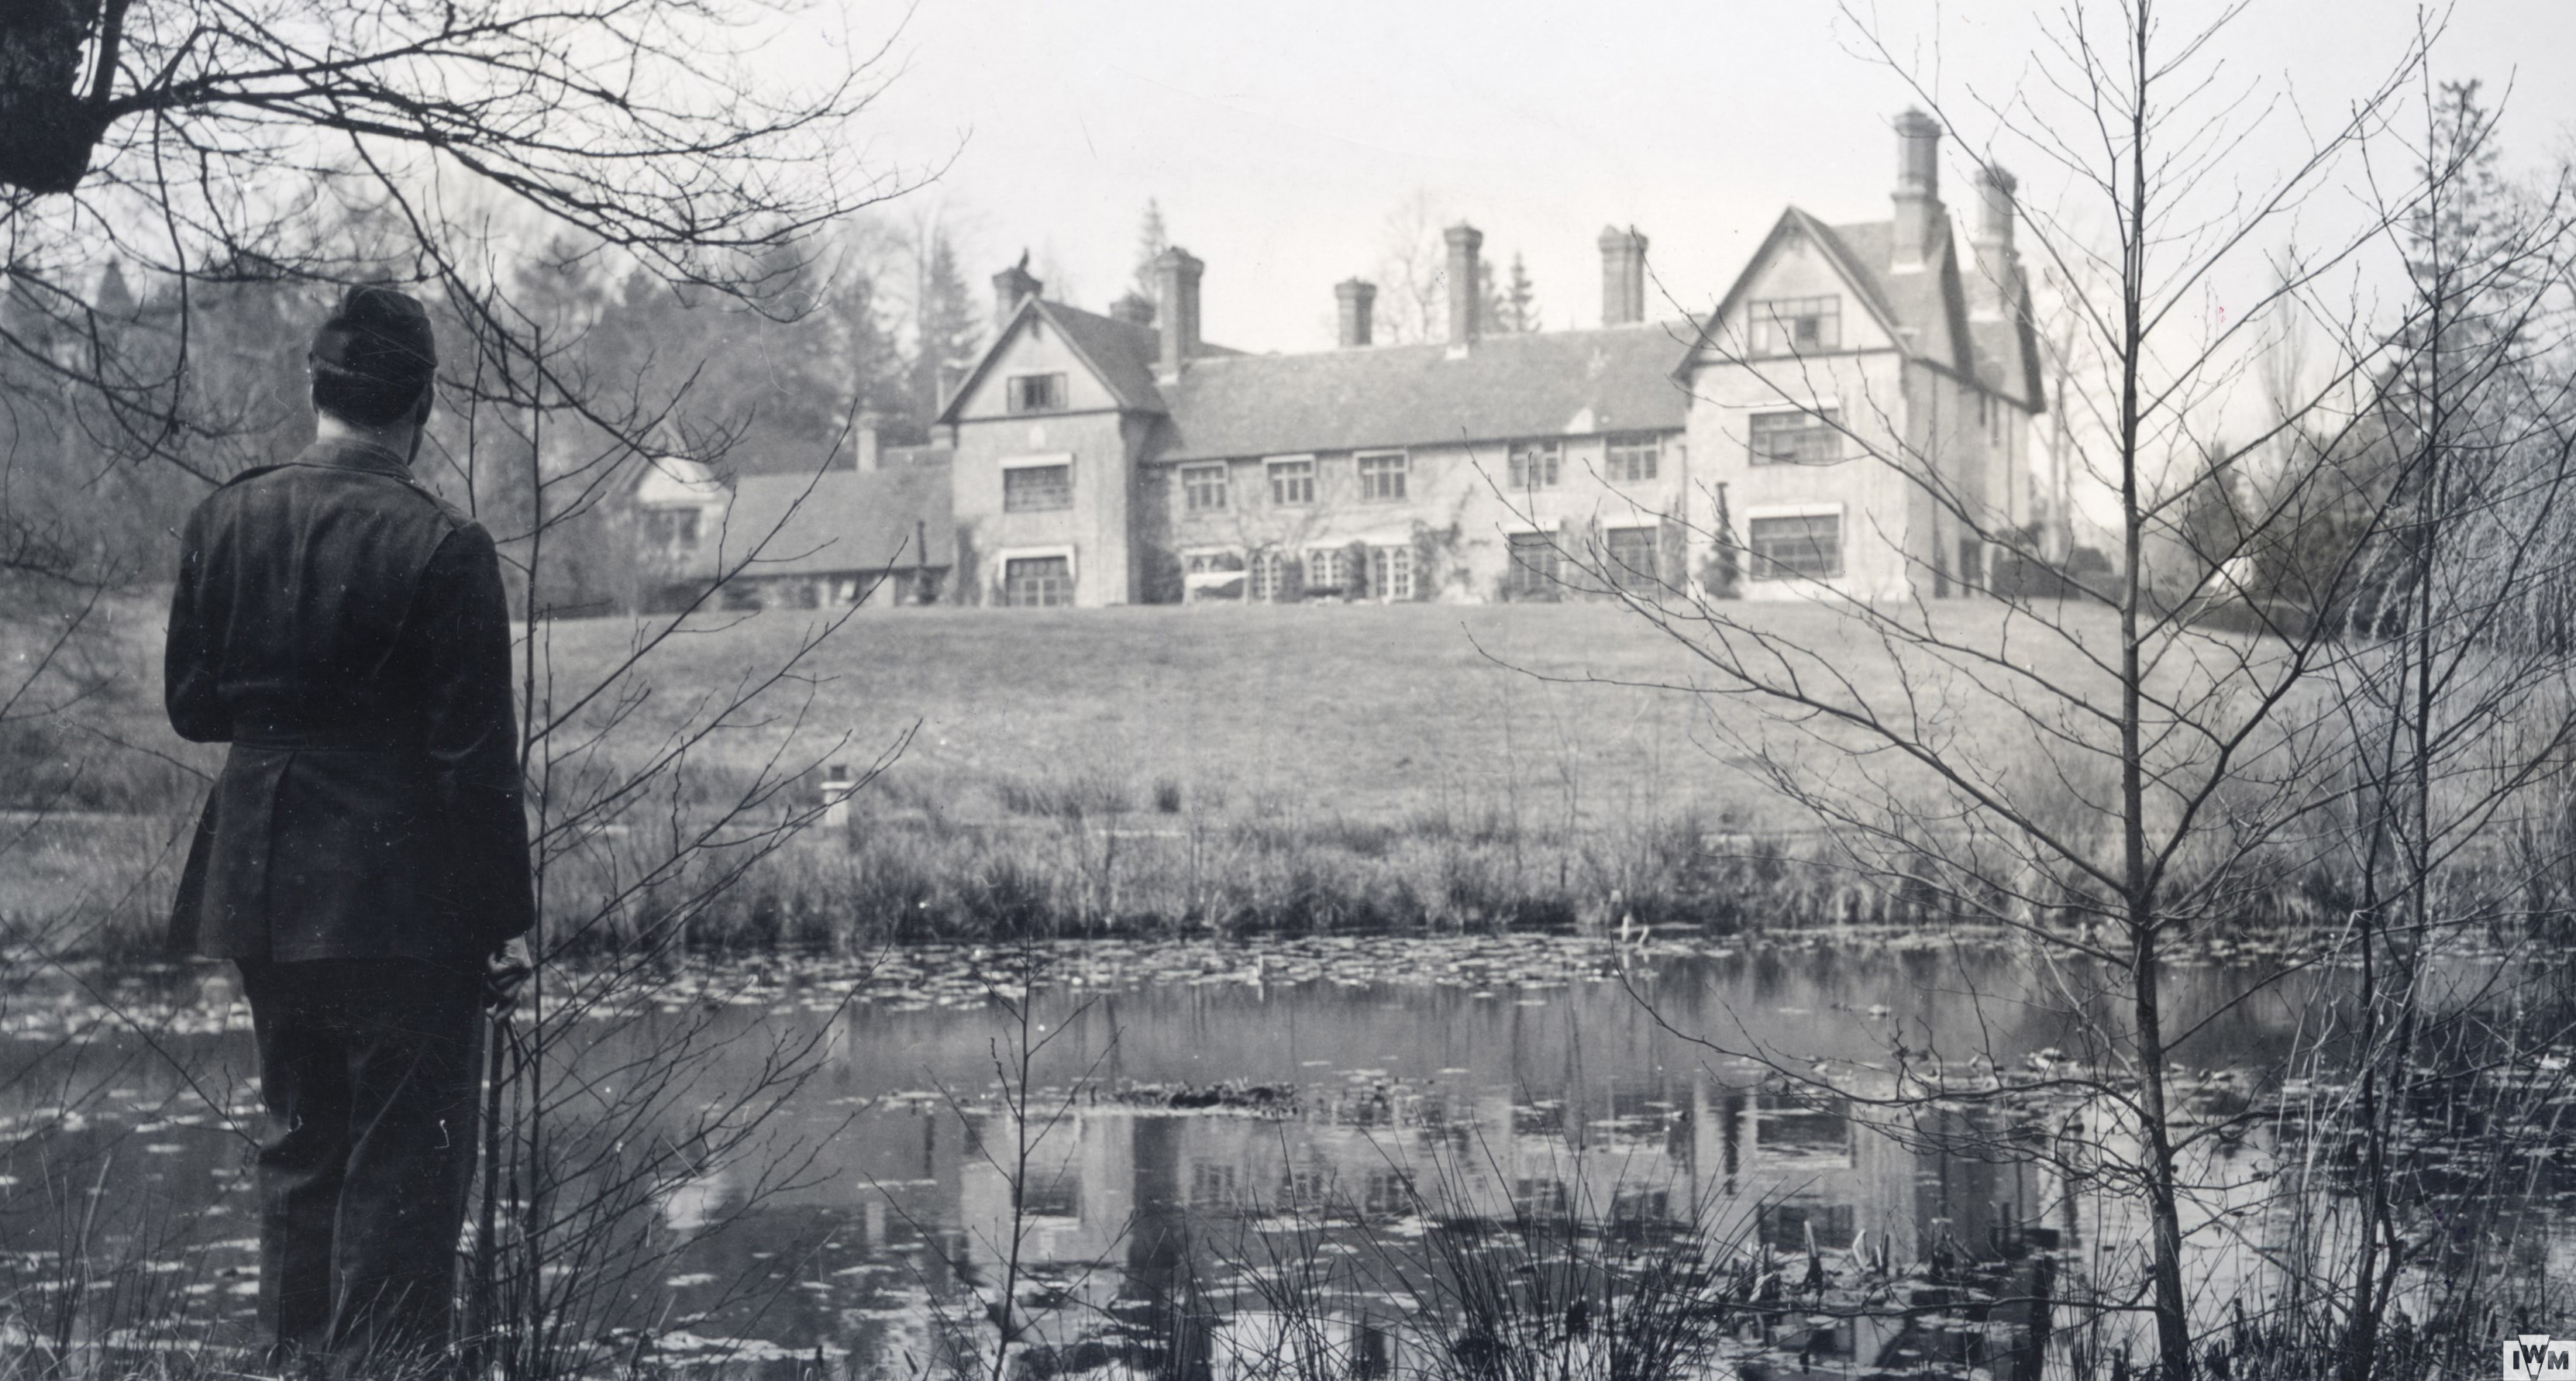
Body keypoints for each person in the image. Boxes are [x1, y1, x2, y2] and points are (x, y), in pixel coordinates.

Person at [165, 284, 534, 1378]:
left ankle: (293, 1365)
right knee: (403, 1175)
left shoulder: (223, 519)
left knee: (299, 1150)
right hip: (399, 900)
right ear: (422, 403)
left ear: (314, 387)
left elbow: (193, 706)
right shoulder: (446, 546)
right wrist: (501, 923)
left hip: (260, 885)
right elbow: (474, 765)